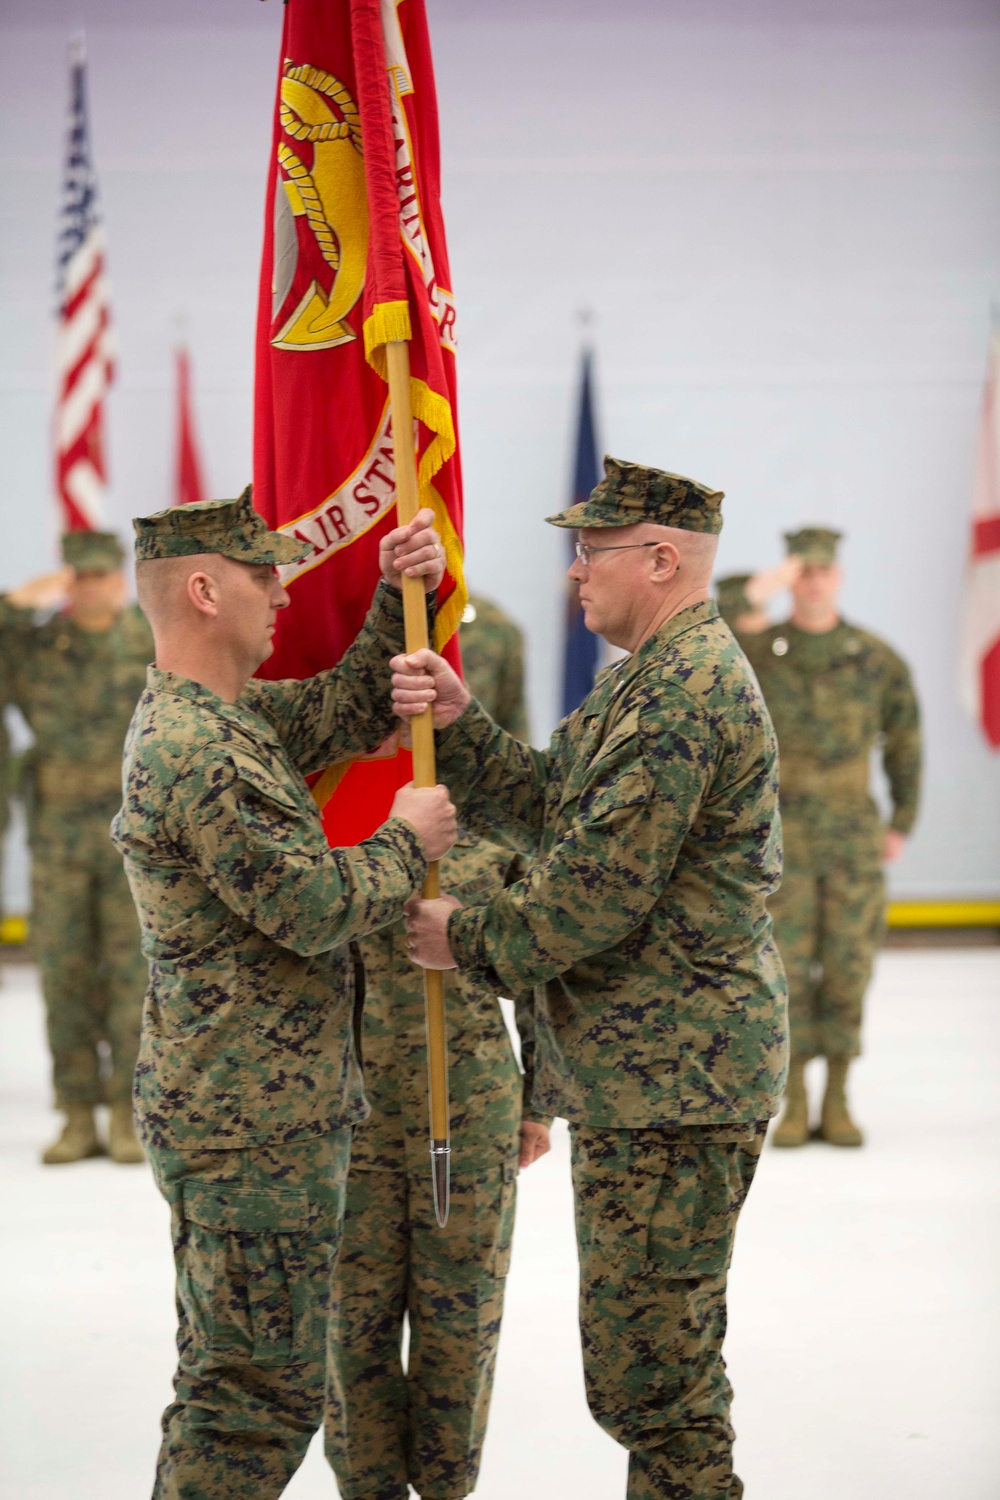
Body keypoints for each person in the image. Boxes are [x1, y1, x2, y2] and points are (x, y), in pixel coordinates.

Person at [394, 456, 788, 1500]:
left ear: (660, 561)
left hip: (677, 1079)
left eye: (591, 553)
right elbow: (547, 800)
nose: (574, 573)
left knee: (656, 1383)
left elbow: (593, 894)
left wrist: (460, 938)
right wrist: (464, 724)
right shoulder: (647, 680)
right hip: (648, 1077)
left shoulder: (681, 696)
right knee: (642, 1374)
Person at [110, 487, 457, 1500]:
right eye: (264, 576)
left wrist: (400, 593)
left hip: (264, 1110)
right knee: (248, 1399)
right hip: (245, 1120)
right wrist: (407, 840)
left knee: (246, 1382)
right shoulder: (194, 747)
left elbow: (344, 708)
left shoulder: (225, 721)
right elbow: (306, 906)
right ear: (205, 589)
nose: (283, 595)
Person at [326, 594, 549, 1500]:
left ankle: (449, 1487)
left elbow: (542, 959)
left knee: (463, 1321)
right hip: (346, 1104)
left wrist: (540, 1097)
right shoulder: (322, 816)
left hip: (473, 1097)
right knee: (353, 1325)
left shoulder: (495, 827)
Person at [734, 527, 921, 1148]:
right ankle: (794, 1099)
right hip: (780, 838)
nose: (814, 582)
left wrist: (901, 821)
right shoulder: (764, 649)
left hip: (850, 839)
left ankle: (838, 1094)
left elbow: (906, 744)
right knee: (782, 968)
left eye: (822, 571)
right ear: (794, 578)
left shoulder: (873, 657)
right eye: (803, 572)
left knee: (847, 966)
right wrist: (765, 585)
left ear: (838, 576)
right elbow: (720, 619)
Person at [0, 530, 152, 1164]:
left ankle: (125, 1110)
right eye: (80, 577)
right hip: (59, 834)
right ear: (67, 582)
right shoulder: (37, 647)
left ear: (120, 579)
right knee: (63, 972)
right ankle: (75, 1113)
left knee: (131, 975)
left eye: (102, 576)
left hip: (131, 834)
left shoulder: (148, 643)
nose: (92, 587)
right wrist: (12, 606)